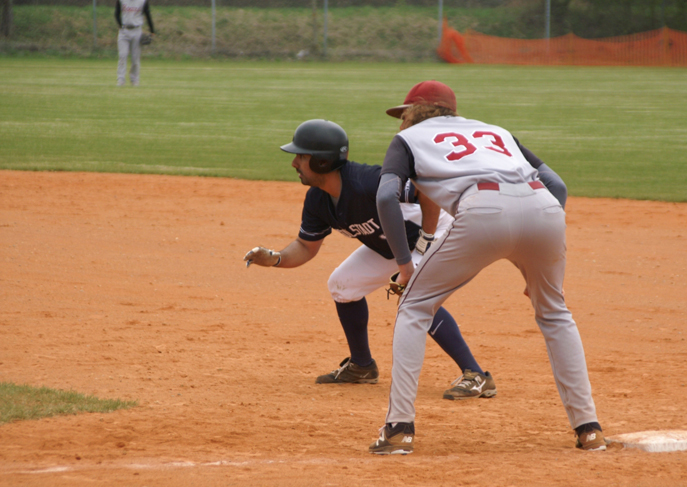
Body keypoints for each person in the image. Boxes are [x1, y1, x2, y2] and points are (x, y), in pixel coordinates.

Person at [369, 80, 605, 455]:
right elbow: (556, 184)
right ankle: (589, 429)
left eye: (403, 114)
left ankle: (398, 428)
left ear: (415, 113)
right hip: (544, 207)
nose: (400, 123)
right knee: (555, 313)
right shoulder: (496, 132)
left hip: (481, 209)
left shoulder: (409, 139)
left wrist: (403, 263)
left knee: (414, 307)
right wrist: (539, 263)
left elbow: (385, 195)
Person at [243, 119, 504, 398]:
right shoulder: (317, 200)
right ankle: (362, 366)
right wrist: (276, 259)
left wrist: (425, 244)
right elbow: (306, 247)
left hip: (436, 231)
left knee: (416, 296)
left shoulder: (369, 182)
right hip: (394, 244)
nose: (294, 163)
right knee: (342, 285)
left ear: (321, 162)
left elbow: (428, 194)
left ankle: (476, 375)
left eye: (301, 156)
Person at [115, 0, 155, 87]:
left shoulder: (142, 1)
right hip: (124, 31)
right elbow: (116, 14)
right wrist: (120, 25)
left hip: (136, 30)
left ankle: (134, 80)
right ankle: (121, 79)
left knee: (135, 58)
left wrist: (152, 30)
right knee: (123, 55)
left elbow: (147, 14)